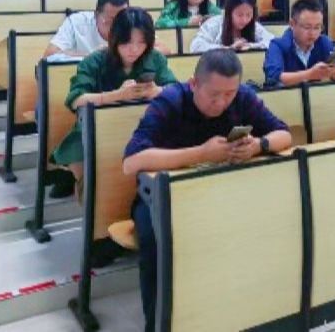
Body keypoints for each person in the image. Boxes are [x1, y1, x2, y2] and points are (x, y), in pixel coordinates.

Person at [123, 49, 292, 332]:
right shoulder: (171, 101)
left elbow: (284, 134)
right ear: (194, 84)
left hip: (221, 193)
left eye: (229, 94)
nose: (222, 102)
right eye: (214, 95)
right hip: (162, 198)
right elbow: (131, 162)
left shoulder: (242, 96)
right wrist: (201, 153)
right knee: (156, 244)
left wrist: (258, 146)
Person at [49, 8, 175, 190]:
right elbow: (76, 100)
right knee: (95, 188)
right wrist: (117, 96)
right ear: (114, 38)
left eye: (141, 43)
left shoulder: (155, 58)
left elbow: (175, 89)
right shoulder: (94, 61)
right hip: (94, 131)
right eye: (127, 43)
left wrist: (158, 91)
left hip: (141, 128)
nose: (134, 50)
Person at [264, 0, 335, 86]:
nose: (312, 33)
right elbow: (274, 78)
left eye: (317, 27)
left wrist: (334, 72)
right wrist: (310, 74)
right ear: (292, 24)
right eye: (307, 27)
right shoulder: (277, 45)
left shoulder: (323, 42)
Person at [43, 0, 130, 59]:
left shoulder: (132, 24)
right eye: (111, 20)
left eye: (122, 19)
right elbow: (50, 54)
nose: (118, 25)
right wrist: (91, 56)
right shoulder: (76, 22)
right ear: (96, 15)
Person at [190, 0, 273, 53]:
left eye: (248, 15)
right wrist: (227, 49)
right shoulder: (214, 24)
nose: (244, 20)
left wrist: (251, 46)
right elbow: (196, 46)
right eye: (239, 15)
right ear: (229, 12)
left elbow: (273, 42)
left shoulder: (254, 25)